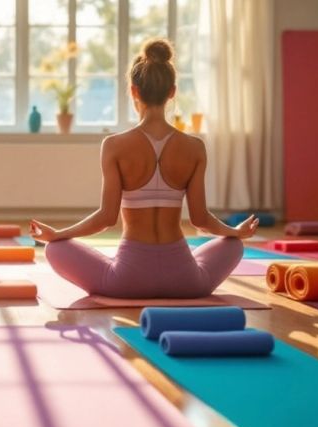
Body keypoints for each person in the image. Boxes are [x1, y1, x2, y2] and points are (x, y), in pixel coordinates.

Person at [30, 38, 258, 299]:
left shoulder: (114, 145)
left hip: (126, 282)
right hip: (186, 282)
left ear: (134, 91)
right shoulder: (195, 147)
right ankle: (204, 258)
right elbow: (200, 219)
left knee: (54, 250)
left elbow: (106, 218)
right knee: (233, 245)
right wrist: (235, 232)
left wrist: (58, 234)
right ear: (172, 92)